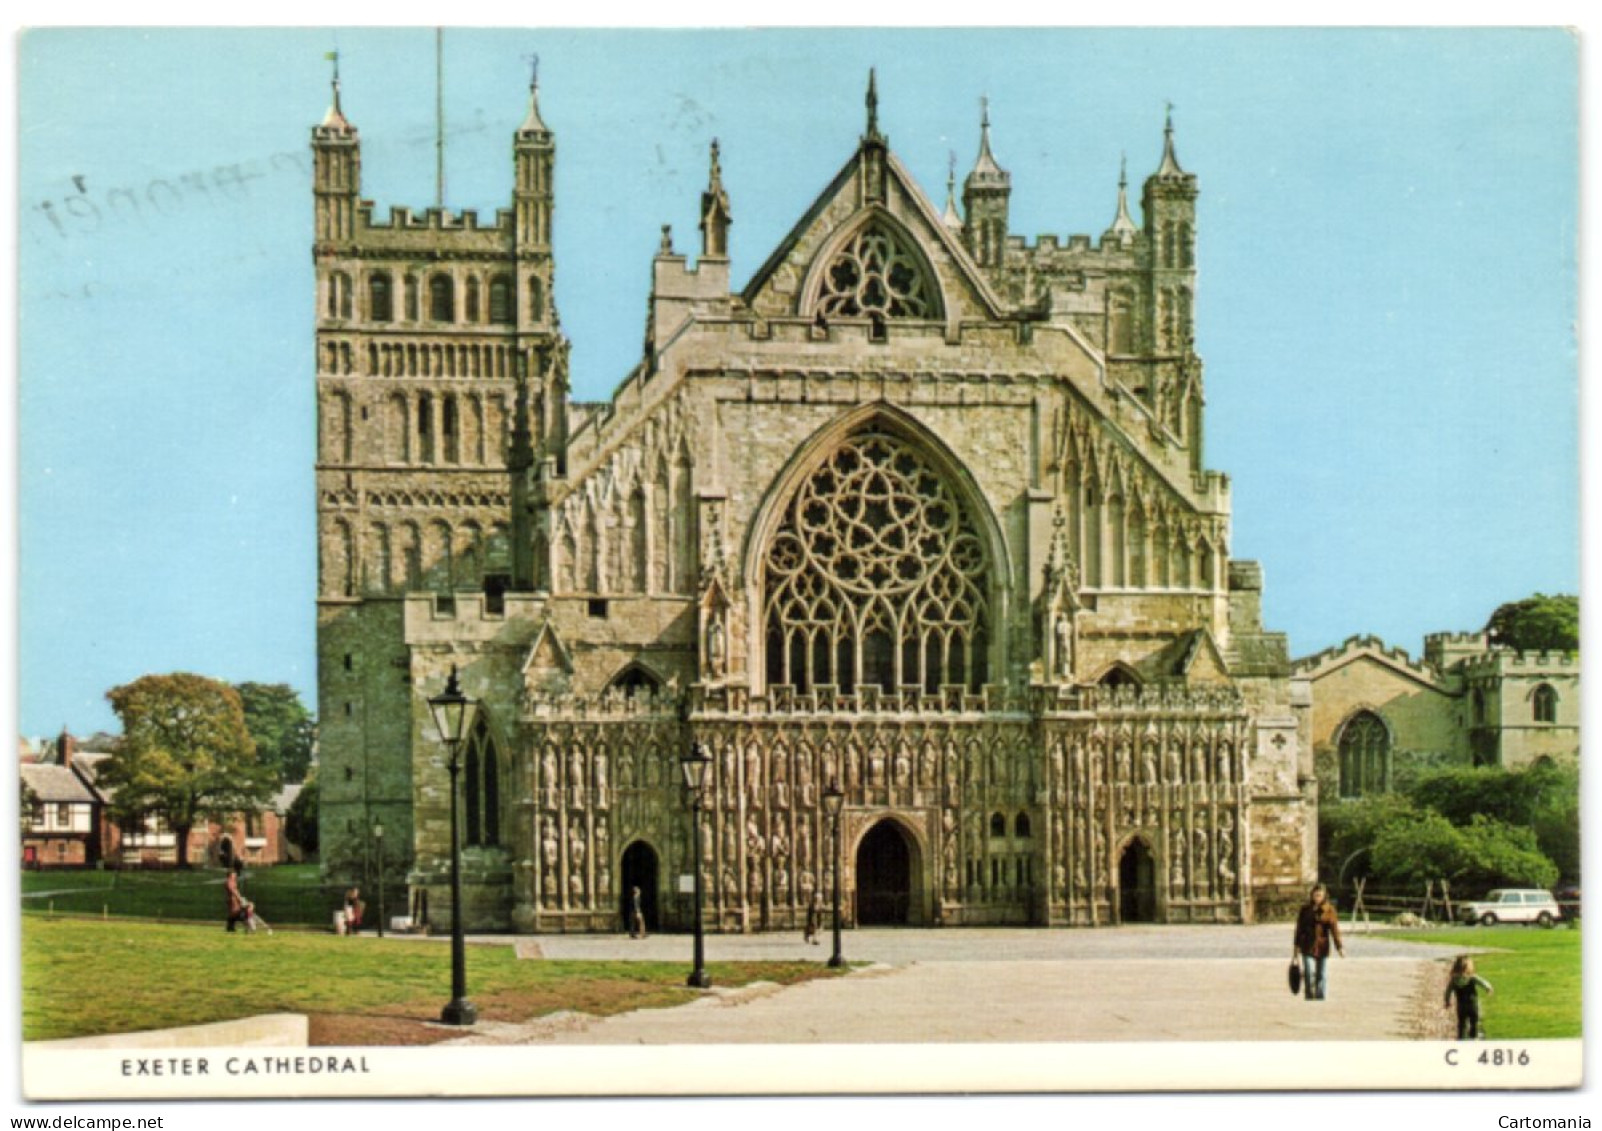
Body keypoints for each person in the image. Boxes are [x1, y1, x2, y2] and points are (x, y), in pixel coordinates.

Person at [1292, 883, 1344, 1000]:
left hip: (1322, 946)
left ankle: (1321, 997)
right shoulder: (1305, 910)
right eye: (1315, 895)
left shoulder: (1330, 910)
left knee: (1322, 974)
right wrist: (1296, 947)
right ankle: (1309, 995)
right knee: (1308, 972)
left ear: (1324, 896)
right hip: (1307, 945)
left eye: (1320, 895)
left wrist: (1339, 947)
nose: (1317, 898)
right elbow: (1299, 929)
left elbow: (1334, 930)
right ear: (1312, 895)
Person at [1444, 955, 1493, 1039]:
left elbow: (1448, 991)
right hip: (1472, 1005)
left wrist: (1447, 1001)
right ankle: (1473, 1036)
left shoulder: (1454, 980)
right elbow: (1482, 982)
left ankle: (1461, 1038)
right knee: (1474, 1021)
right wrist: (1488, 988)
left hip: (1461, 1005)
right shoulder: (1471, 978)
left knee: (1462, 1023)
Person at [224, 863, 248, 932]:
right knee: (236, 913)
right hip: (232, 900)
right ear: (231, 875)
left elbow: (236, 891)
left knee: (233, 913)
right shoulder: (229, 882)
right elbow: (233, 891)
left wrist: (240, 898)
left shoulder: (233, 881)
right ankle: (246, 925)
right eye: (234, 874)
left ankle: (230, 927)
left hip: (235, 900)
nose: (235, 875)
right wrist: (239, 898)